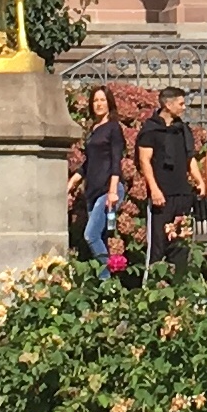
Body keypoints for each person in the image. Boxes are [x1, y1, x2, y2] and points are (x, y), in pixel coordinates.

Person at [139, 89, 203, 271]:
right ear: (168, 104)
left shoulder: (182, 130)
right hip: (161, 195)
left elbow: (190, 159)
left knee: (181, 246)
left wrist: (200, 181)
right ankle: (154, 284)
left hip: (182, 194)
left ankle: (179, 285)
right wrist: (154, 189)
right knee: (158, 246)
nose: (184, 107)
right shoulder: (150, 129)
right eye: (181, 104)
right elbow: (144, 160)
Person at [73, 87, 131, 274]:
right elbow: (89, 162)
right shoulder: (94, 129)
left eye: (102, 100)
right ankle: (105, 283)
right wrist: (72, 182)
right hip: (93, 190)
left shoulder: (113, 128)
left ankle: (107, 279)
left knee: (91, 235)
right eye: (95, 100)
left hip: (108, 190)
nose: (98, 104)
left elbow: (116, 161)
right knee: (101, 237)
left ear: (109, 103)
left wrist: (112, 191)